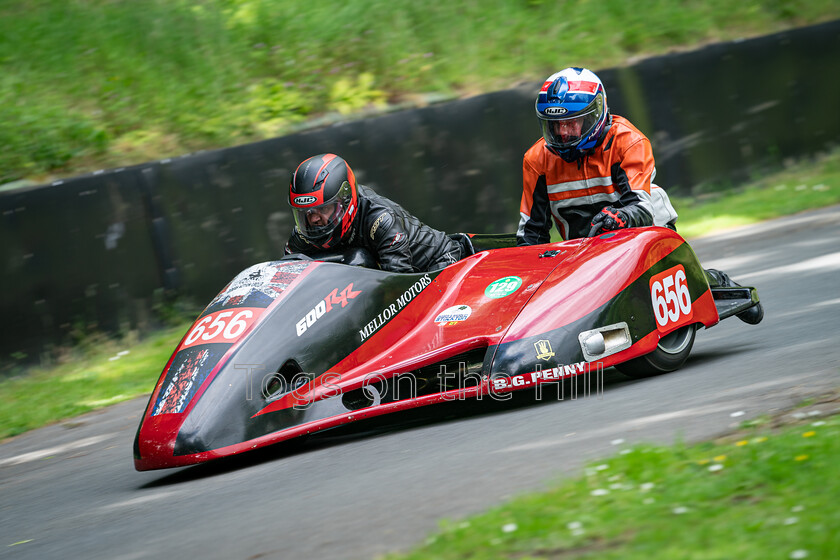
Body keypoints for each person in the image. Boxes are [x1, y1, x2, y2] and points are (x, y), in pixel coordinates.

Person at [516, 66, 762, 324]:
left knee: (667, 284)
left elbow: (640, 207)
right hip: (583, 249)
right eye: (555, 125)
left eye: (571, 123)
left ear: (594, 117)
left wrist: (619, 217)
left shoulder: (628, 141)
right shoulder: (537, 160)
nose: (563, 133)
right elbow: (531, 232)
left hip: (644, 232)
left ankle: (714, 282)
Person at [284, 153, 463, 273]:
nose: (314, 219)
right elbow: (283, 278)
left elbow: (399, 283)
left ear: (345, 202)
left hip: (439, 264)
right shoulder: (304, 235)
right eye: (305, 213)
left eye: (323, 209)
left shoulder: (380, 220)